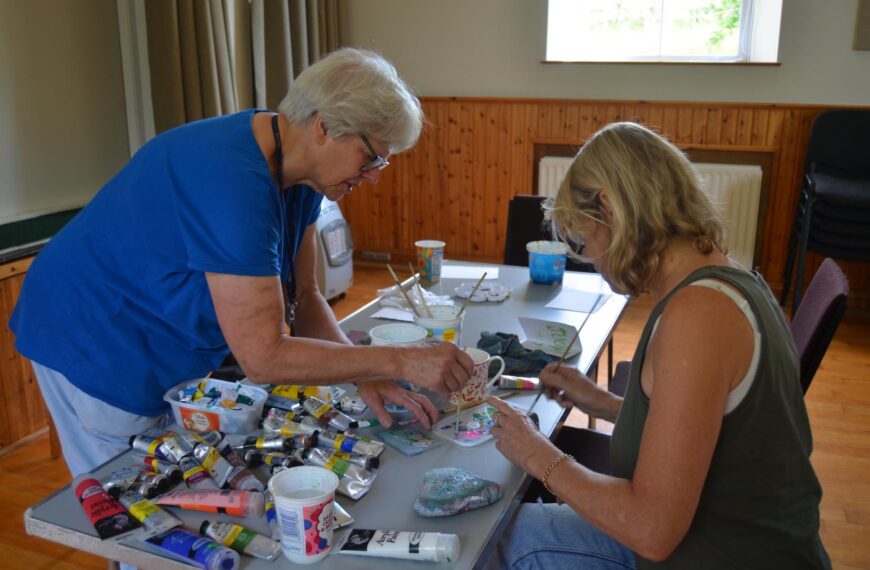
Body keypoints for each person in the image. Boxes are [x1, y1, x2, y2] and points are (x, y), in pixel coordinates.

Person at [10, 47, 473, 478]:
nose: (372, 177)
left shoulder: (301, 174)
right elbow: (263, 357)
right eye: (371, 158)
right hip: (95, 335)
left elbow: (307, 297)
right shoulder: (231, 182)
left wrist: (367, 375)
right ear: (325, 128)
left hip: (156, 329)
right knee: (137, 504)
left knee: (178, 479)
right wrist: (401, 361)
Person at [485, 122, 830, 568]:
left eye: (583, 240)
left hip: (724, 556)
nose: (591, 259)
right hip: (734, 541)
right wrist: (608, 404)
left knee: (497, 539)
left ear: (610, 209)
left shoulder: (699, 315)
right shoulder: (730, 280)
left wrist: (539, 455)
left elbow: (651, 530)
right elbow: (708, 430)